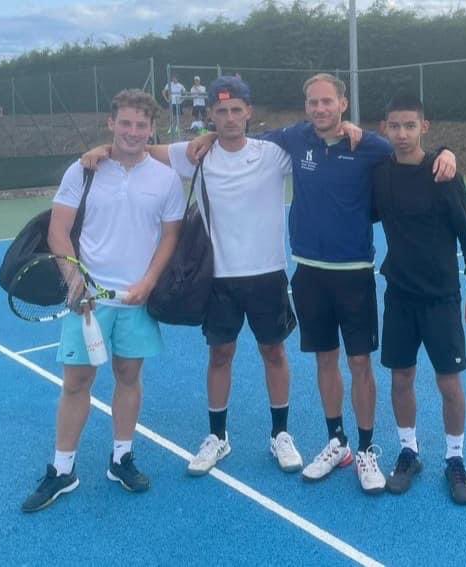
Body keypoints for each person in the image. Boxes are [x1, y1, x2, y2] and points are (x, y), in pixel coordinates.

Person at [186, 73, 457, 494]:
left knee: (360, 364)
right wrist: (205, 135)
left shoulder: (369, 145)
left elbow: (411, 151)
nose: (319, 109)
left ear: (342, 104)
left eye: (327, 102)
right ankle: (338, 442)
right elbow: (240, 133)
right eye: (312, 102)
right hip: (308, 272)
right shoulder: (294, 139)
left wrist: (445, 152)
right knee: (324, 362)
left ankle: (367, 450)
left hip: (354, 274)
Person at [81, 76, 305, 477]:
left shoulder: (273, 154)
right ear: (211, 116)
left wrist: (351, 127)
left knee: (274, 352)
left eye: (237, 110)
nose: (230, 117)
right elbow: (143, 149)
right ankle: (217, 437)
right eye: (222, 111)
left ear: (249, 112)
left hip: (268, 274)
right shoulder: (197, 153)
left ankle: (280, 435)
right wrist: (103, 149)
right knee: (220, 355)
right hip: (217, 278)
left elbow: (319, 137)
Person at [21, 89, 185, 513]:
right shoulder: (84, 170)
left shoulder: (165, 179)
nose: (133, 132)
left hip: (136, 300)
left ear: (152, 129)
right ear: (111, 124)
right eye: (125, 123)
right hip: (88, 301)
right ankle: (62, 470)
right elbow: (59, 231)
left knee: (129, 377)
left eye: (141, 125)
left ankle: (121, 458)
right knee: (76, 382)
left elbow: (170, 237)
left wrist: (149, 282)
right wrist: (75, 281)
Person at [372, 95, 466, 505]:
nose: (402, 134)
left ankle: (454, 459)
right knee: (400, 378)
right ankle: (408, 451)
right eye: (394, 126)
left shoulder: (443, 174)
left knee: (448, 383)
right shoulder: (380, 174)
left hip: (440, 298)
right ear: (384, 128)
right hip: (399, 295)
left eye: (410, 126)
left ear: (425, 127)